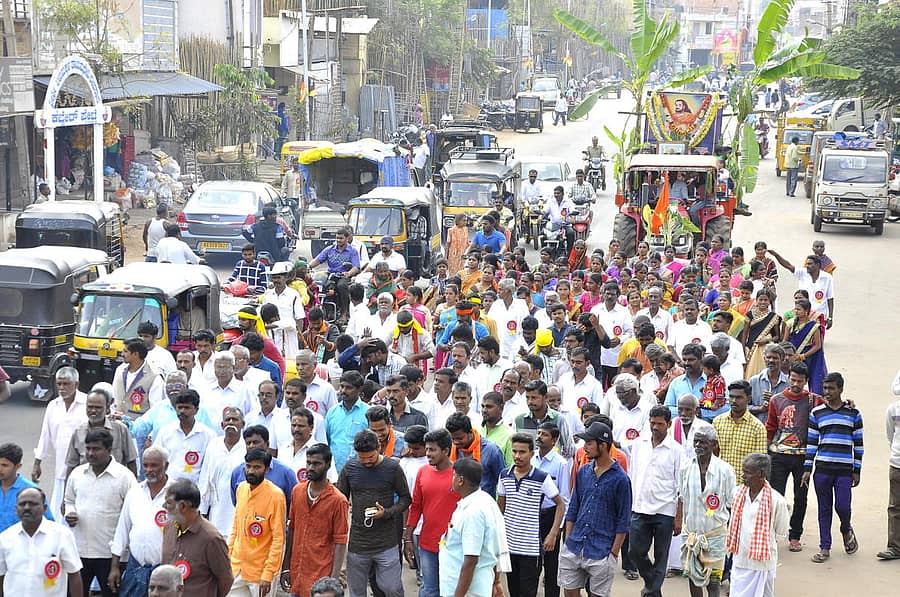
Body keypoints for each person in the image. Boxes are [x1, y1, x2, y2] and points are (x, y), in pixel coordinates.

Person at [559, 422, 631, 597]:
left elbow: (624, 520)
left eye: (589, 443)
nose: (585, 448)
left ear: (603, 445)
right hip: (574, 546)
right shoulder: (583, 472)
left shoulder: (621, 479)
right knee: (569, 592)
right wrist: (568, 540)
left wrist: (613, 554)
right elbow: (574, 507)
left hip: (602, 550)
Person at [64, 428, 138, 597]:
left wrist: (119, 558)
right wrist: (70, 513)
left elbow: (132, 516)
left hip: (110, 555)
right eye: (88, 448)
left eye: (96, 449)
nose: (90, 453)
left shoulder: (124, 477)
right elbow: (68, 501)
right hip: (80, 551)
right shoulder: (77, 474)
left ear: (109, 450)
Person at [336, 429, 410, 597]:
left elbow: (406, 499)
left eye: (371, 457)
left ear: (379, 448)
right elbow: (340, 499)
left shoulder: (392, 468)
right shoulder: (350, 468)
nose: (367, 461)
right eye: (362, 458)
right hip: (358, 543)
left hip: (386, 542)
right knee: (356, 591)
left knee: (392, 588)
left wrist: (387, 513)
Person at [802, 372, 863, 563]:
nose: (827, 392)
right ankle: (824, 547)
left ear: (841, 389)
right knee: (824, 508)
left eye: (831, 388)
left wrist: (857, 470)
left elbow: (859, 444)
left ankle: (845, 528)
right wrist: (807, 468)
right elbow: (811, 443)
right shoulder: (816, 413)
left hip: (844, 470)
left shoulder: (853, 413)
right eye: (825, 388)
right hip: (822, 469)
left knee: (843, 506)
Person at [497, 433, 565, 597]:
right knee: (513, 590)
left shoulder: (541, 478)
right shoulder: (504, 475)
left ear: (531, 453)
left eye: (522, 452)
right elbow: (500, 508)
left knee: (527, 592)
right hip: (510, 546)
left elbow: (560, 504)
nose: (517, 456)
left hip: (531, 548)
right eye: (514, 451)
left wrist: (553, 534)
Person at [627, 405, 683, 597]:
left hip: (665, 511)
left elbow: (680, 487)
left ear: (668, 424)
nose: (655, 427)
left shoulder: (677, 450)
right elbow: (632, 474)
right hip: (640, 508)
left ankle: (651, 592)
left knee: (661, 556)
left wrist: (678, 517)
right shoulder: (638, 444)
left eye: (660, 424)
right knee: (634, 552)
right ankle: (652, 583)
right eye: (652, 423)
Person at [282, 443, 348, 597]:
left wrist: (334, 580)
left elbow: (340, 541)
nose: (311, 467)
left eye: (316, 463)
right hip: (297, 575)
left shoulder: (338, 500)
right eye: (309, 463)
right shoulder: (297, 491)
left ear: (328, 465)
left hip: (321, 578)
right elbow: (292, 529)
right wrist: (286, 567)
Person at [438, 457, 508, 597]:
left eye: (454, 475)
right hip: (463, 585)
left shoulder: (473, 512)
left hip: (468, 590)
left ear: (460, 480)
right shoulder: (482, 500)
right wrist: (496, 581)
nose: (452, 478)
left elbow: (471, 560)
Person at [678, 427, 736, 597]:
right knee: (692, 577)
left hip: (716, 536)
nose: (697, 445)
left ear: (714, 445)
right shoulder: (686, 468)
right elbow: (682, 498)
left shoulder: (725, 471)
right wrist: (678, 520)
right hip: (690, 534)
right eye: (695, 441)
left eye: (702, 442)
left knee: (714, 582)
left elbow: (731, 504)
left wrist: (732, 533)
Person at [108, 445, 171, 596]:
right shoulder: (134, 492)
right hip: (135, 568)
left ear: (166, 466)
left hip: (166, 571)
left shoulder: (176, 492)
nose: (149, 469)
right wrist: (115, 566)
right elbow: (122, 530)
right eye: (145, 465)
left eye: (154, 465)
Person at [403, 429, 459, 597]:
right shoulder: (423, 472)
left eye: (432, 450)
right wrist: (407, 538)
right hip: (427, 543)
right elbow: (416, 506)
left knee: (450, 589)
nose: (428, 454)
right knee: (429, 588)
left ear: (446, 451)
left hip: (454, 546)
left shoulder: (460, 474)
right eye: (426, 449)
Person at [726, 453, 789, 597]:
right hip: (740, 559)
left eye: (747, 473)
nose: (743, 476)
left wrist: (759, 547)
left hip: (762, 564)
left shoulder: (777, 501)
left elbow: (780, 534)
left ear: (761, 474)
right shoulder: (736, 494)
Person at [0, 487, 83, 596]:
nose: (27, 508)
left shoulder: (62, 535)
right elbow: (1, 576)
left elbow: (74, 575)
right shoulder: (5, 537)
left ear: (45, 508)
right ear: (16, 509)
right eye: (22, 504)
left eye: (33, 504)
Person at [228, 448, 286, 597]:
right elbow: (236, 528)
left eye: (256, 467)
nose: (251, 471)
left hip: (260, 572)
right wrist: (228, 558)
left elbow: (278, 539)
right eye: (248, 466)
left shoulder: (276, 496)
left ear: (266, 470)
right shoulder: (241, 489)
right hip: (237, 567)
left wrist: (268, 574)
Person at [162, 479, 234, 597]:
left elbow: (226, 579)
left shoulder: (211, 538)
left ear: (183, 506)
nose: (164, 506)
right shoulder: (169, 528)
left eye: (168, 502)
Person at [33, 367, 87, 520]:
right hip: (61, 469)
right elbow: (45, 435)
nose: (62, 388)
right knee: (58, 514)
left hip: (83, 468)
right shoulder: (53, 406)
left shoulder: (88, 404)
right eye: (59, 384)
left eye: (66, 384)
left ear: (76, 384)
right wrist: (37, 462)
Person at [153, 389, 218, 486]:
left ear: (196, 410)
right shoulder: (165, 432)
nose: (182, 411)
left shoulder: (208, 435)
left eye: (187, 408)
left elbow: (210, 467)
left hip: (195, 490)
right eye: (180, 407)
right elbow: (156, 458)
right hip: (168, 489)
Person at [308, 226, 361, 322]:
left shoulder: (353, 251)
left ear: (347, 238)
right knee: (318, 284)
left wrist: (348, 273)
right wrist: (308, 267)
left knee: (341, 286)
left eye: (341, 238)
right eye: (337, 238)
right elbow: (318, 260)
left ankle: (344, 313)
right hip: (331, 274)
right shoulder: (330, 249)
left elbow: (356, 267)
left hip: (343, 275)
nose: (338, 240)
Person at [445, 412, 505, 497]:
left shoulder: (492, 451)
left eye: (460, 438)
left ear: (470, 432)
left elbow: (502, 483)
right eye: (453, 439)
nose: (456, 442)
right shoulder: (452, 449)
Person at [0, 443, 54, 533]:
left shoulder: (31, 491)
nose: (0, 469)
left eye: (4, 465)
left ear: (18, 466)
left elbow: (48, 522)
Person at [783, 298, 827, 394]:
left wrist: (802, 356)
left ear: (806, 311)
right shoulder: (790, 323)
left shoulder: (814, 327)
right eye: (795, 309)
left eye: (799, 309)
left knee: (806, 381)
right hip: (791, 358)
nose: (796, 311)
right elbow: (784, 343)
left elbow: (818, 346)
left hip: (808, 358)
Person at [113, 337, 162, 420]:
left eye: (125, 351)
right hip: (118, 426)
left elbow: (155, 409)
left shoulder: (154, 377)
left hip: (140, 428)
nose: (122, 354)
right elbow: (114, 397)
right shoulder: (120, 370)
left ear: (135, 354)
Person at [262, 262, 304, 358]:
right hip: (271, 336)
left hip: (289, 337)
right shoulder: (267, 294)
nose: (276, 280)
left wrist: (298, 336)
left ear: (285, 278)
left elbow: (299, 318)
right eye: (274, 278)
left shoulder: (294, 295)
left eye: (279, 277)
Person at [741, 290, 782, 379]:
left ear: (769, 301)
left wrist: (766, 340)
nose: (763, 302)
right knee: (750, 374)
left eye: (765, 300)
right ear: (756, 300)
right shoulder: (750, 315)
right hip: (751, 349)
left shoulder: (774, 317)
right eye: (761, 300)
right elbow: (744, 334)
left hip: (766, 350)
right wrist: (743, 350)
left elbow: (777, 337)